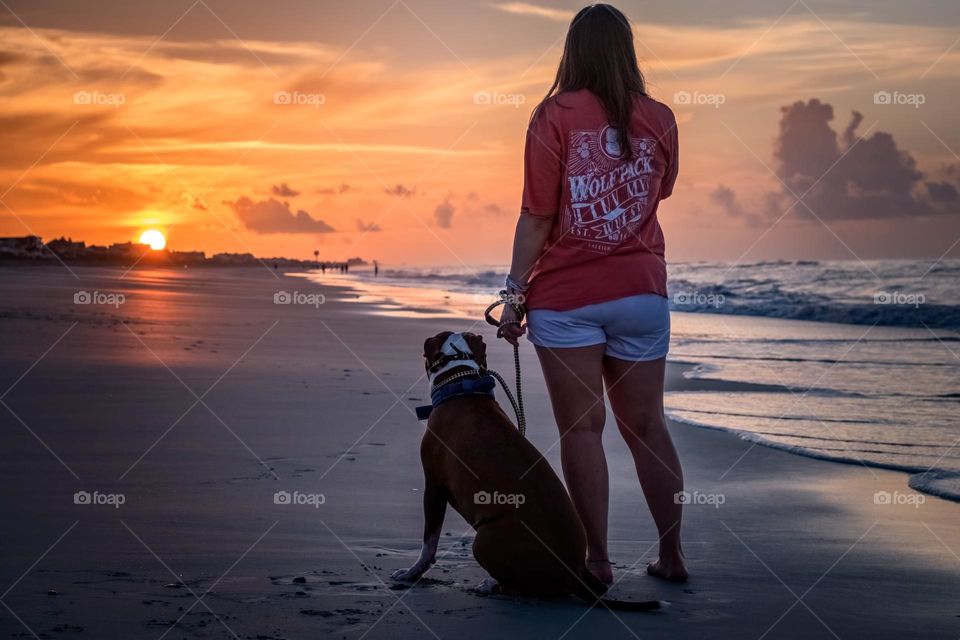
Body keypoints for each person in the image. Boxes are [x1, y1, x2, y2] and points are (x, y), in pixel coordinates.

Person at [498, 3, 686, 584]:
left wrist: (513, 295)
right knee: (649, 428)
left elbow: (537, 216)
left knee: (583, 429)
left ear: (571, 52)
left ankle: (598, 562)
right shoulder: (660, 118)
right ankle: (673, 557)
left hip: (567, 296)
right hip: (641, 292)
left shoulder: (552, 115)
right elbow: (663, 193)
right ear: (627, 53)